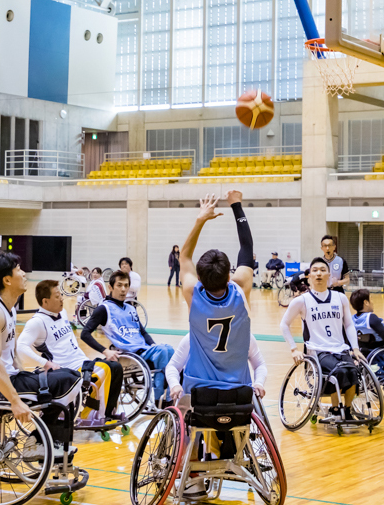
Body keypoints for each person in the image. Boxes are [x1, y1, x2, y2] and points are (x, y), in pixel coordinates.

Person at [174, 190, 255, 498]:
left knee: (186, 416)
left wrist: (201, 219)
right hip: (239, 391)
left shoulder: (192, 294)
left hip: (201, 392)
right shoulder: (242, 289)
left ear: (202, 277)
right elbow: (247, 247)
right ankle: (239, 458)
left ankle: (193, 476)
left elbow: (184, 256)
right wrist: (236, 205)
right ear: (229, 275)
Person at [0, 251, 80, 456]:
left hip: (11, 377)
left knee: (67, 374)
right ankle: (37, 443)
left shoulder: (8, 309)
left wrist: (33, 372)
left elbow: (10, 353)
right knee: (70, 380)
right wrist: (15, 401)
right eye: (19, 269)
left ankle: (46, 442)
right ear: (7, 279)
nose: (24, 273)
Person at [18, 280, 125, 425]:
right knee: (103, 371)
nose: (62, 298)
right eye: (57, 296)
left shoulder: (61, 312)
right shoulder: (37, 322)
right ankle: (90, 415)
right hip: (65, 369)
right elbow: (21, 346)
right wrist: (46, 363)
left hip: (81, 361)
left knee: (116, 367)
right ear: (45, 301)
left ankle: (107, 412)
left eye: (61, 294)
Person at [280, 257, 363, 422]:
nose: (319, 273)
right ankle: (335, 409)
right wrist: (293, 349)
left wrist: (355, 348)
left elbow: (349, 325)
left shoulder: (340, 298)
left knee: (353, 370)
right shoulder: (301, 301)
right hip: (317, 350)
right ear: (309, 276)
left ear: (330, 276)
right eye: (315, 270)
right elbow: (284, 324)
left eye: (323, 270)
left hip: (340, 347)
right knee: (338, 370)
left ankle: (346, 410)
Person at [80, 271, 176, 408]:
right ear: (110, 288)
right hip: (128, 354)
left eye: (126, 285)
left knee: (169, 350)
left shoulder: (131, 308)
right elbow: (85, 334)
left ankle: (167, 397)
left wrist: (153, 345)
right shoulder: (104, 309)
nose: (124, 289)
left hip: (144, 351)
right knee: (163, 351)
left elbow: (143, 332)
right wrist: (105, 351)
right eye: (119, 285)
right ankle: (161, 399)